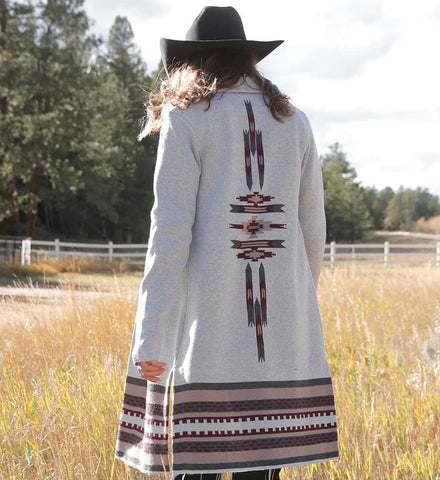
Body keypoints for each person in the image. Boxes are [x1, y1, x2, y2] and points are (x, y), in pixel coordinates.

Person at [115, 6, 339, 480]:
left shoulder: (188, 118)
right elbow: (311, 232)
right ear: (246, 59)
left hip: (207, 333)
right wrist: (294, 308)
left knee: (197, 464)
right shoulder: (294, 121)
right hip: (279, 337)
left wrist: (151, 333)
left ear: (196, 62)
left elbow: (169, 232)